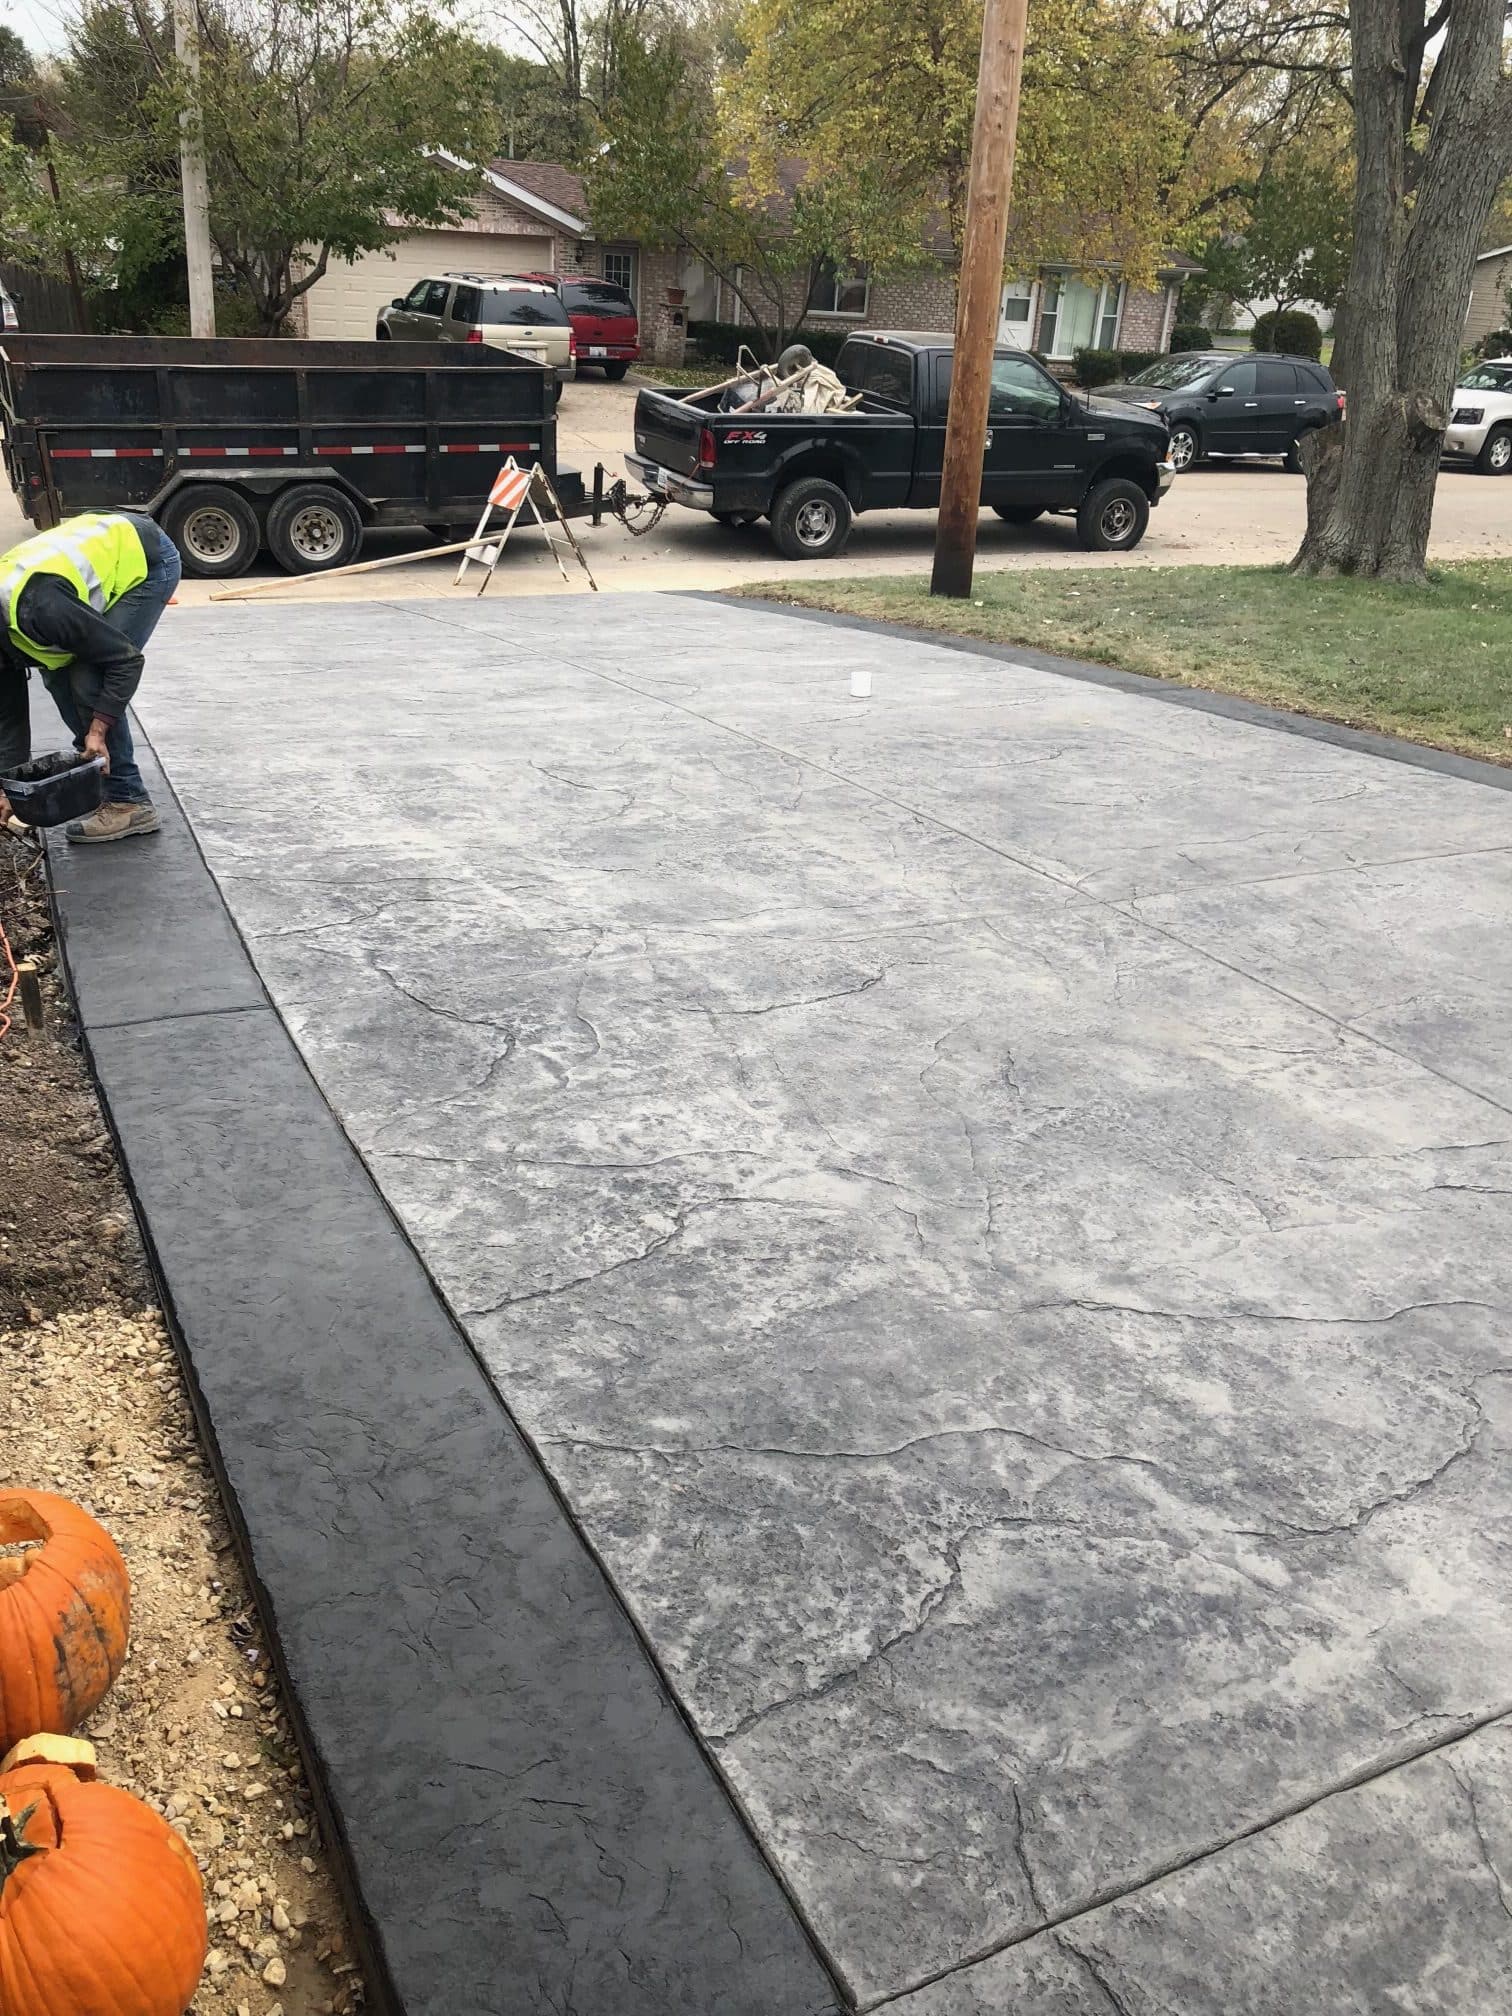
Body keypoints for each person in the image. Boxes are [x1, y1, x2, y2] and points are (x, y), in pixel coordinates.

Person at [0, 509, 182, 842]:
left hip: (145, 558)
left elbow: (125, 661)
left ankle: (129, 802)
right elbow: (8, 719)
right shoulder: (9, 629)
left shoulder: (39, 608)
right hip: (87, 560)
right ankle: (97, 770)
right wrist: (8, 791)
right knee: (57, 677)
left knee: (88, 678)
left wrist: (97, 729)